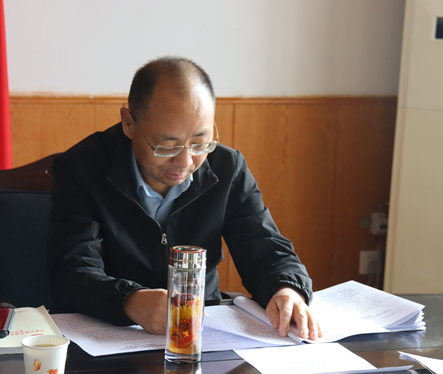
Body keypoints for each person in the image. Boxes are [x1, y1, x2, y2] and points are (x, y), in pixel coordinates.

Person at [48, 56, 321, 341]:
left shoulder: (226, 168)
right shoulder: (82, 170)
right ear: (128, 123)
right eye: (167, 146)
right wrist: (130, 302)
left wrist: (286, 289)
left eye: (200, 143)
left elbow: (265, 247)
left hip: (203, 332)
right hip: (111, 333)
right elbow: (71, 271)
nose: (185, 161)